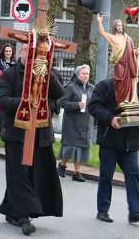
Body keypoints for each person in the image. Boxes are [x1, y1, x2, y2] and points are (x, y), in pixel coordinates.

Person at [0, 44, 64, 235]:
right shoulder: (9, 74)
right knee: (19, 174)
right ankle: (25, 216)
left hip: (41, 133)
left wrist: (46, 72)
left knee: (37, 174)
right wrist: (25, 102)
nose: (31, 55)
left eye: (35, 52)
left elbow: (59, 94)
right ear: (21, 53)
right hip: (17, 134)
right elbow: (1, 100)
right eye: (28, 51)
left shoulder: (47, 71)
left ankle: (11, 209)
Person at [88, 78, 139, 224]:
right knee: (106, 176)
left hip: (131, 143)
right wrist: (110, 118)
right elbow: (93, 106)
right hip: (109, 140)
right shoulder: (106, 85)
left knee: (134, 174)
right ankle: (103, 210)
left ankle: (135, 211)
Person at [57, 65, 94, 182]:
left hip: (86, 122)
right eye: (83, 73)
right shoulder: (71, 87)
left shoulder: (91, 88)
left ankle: (77, 173)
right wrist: (76, 105)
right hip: (72, 123)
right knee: (71, 147)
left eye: (87, 74)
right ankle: (62, 165)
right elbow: (61, 102)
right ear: (77, 75)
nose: (86, 76)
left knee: (81, 148)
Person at [97, 14, 138, 104]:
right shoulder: (113, 37)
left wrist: (135, 52)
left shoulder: (128, 38)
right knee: (119, 84)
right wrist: (100, 22)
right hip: (120, 65)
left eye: (121, 25)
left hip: (129, 66)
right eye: (118, 25)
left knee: (129, 84)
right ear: (115, 27)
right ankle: (120, 101)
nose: (120, 27)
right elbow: (102, 32)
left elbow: (131, 52)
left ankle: (128, 100)